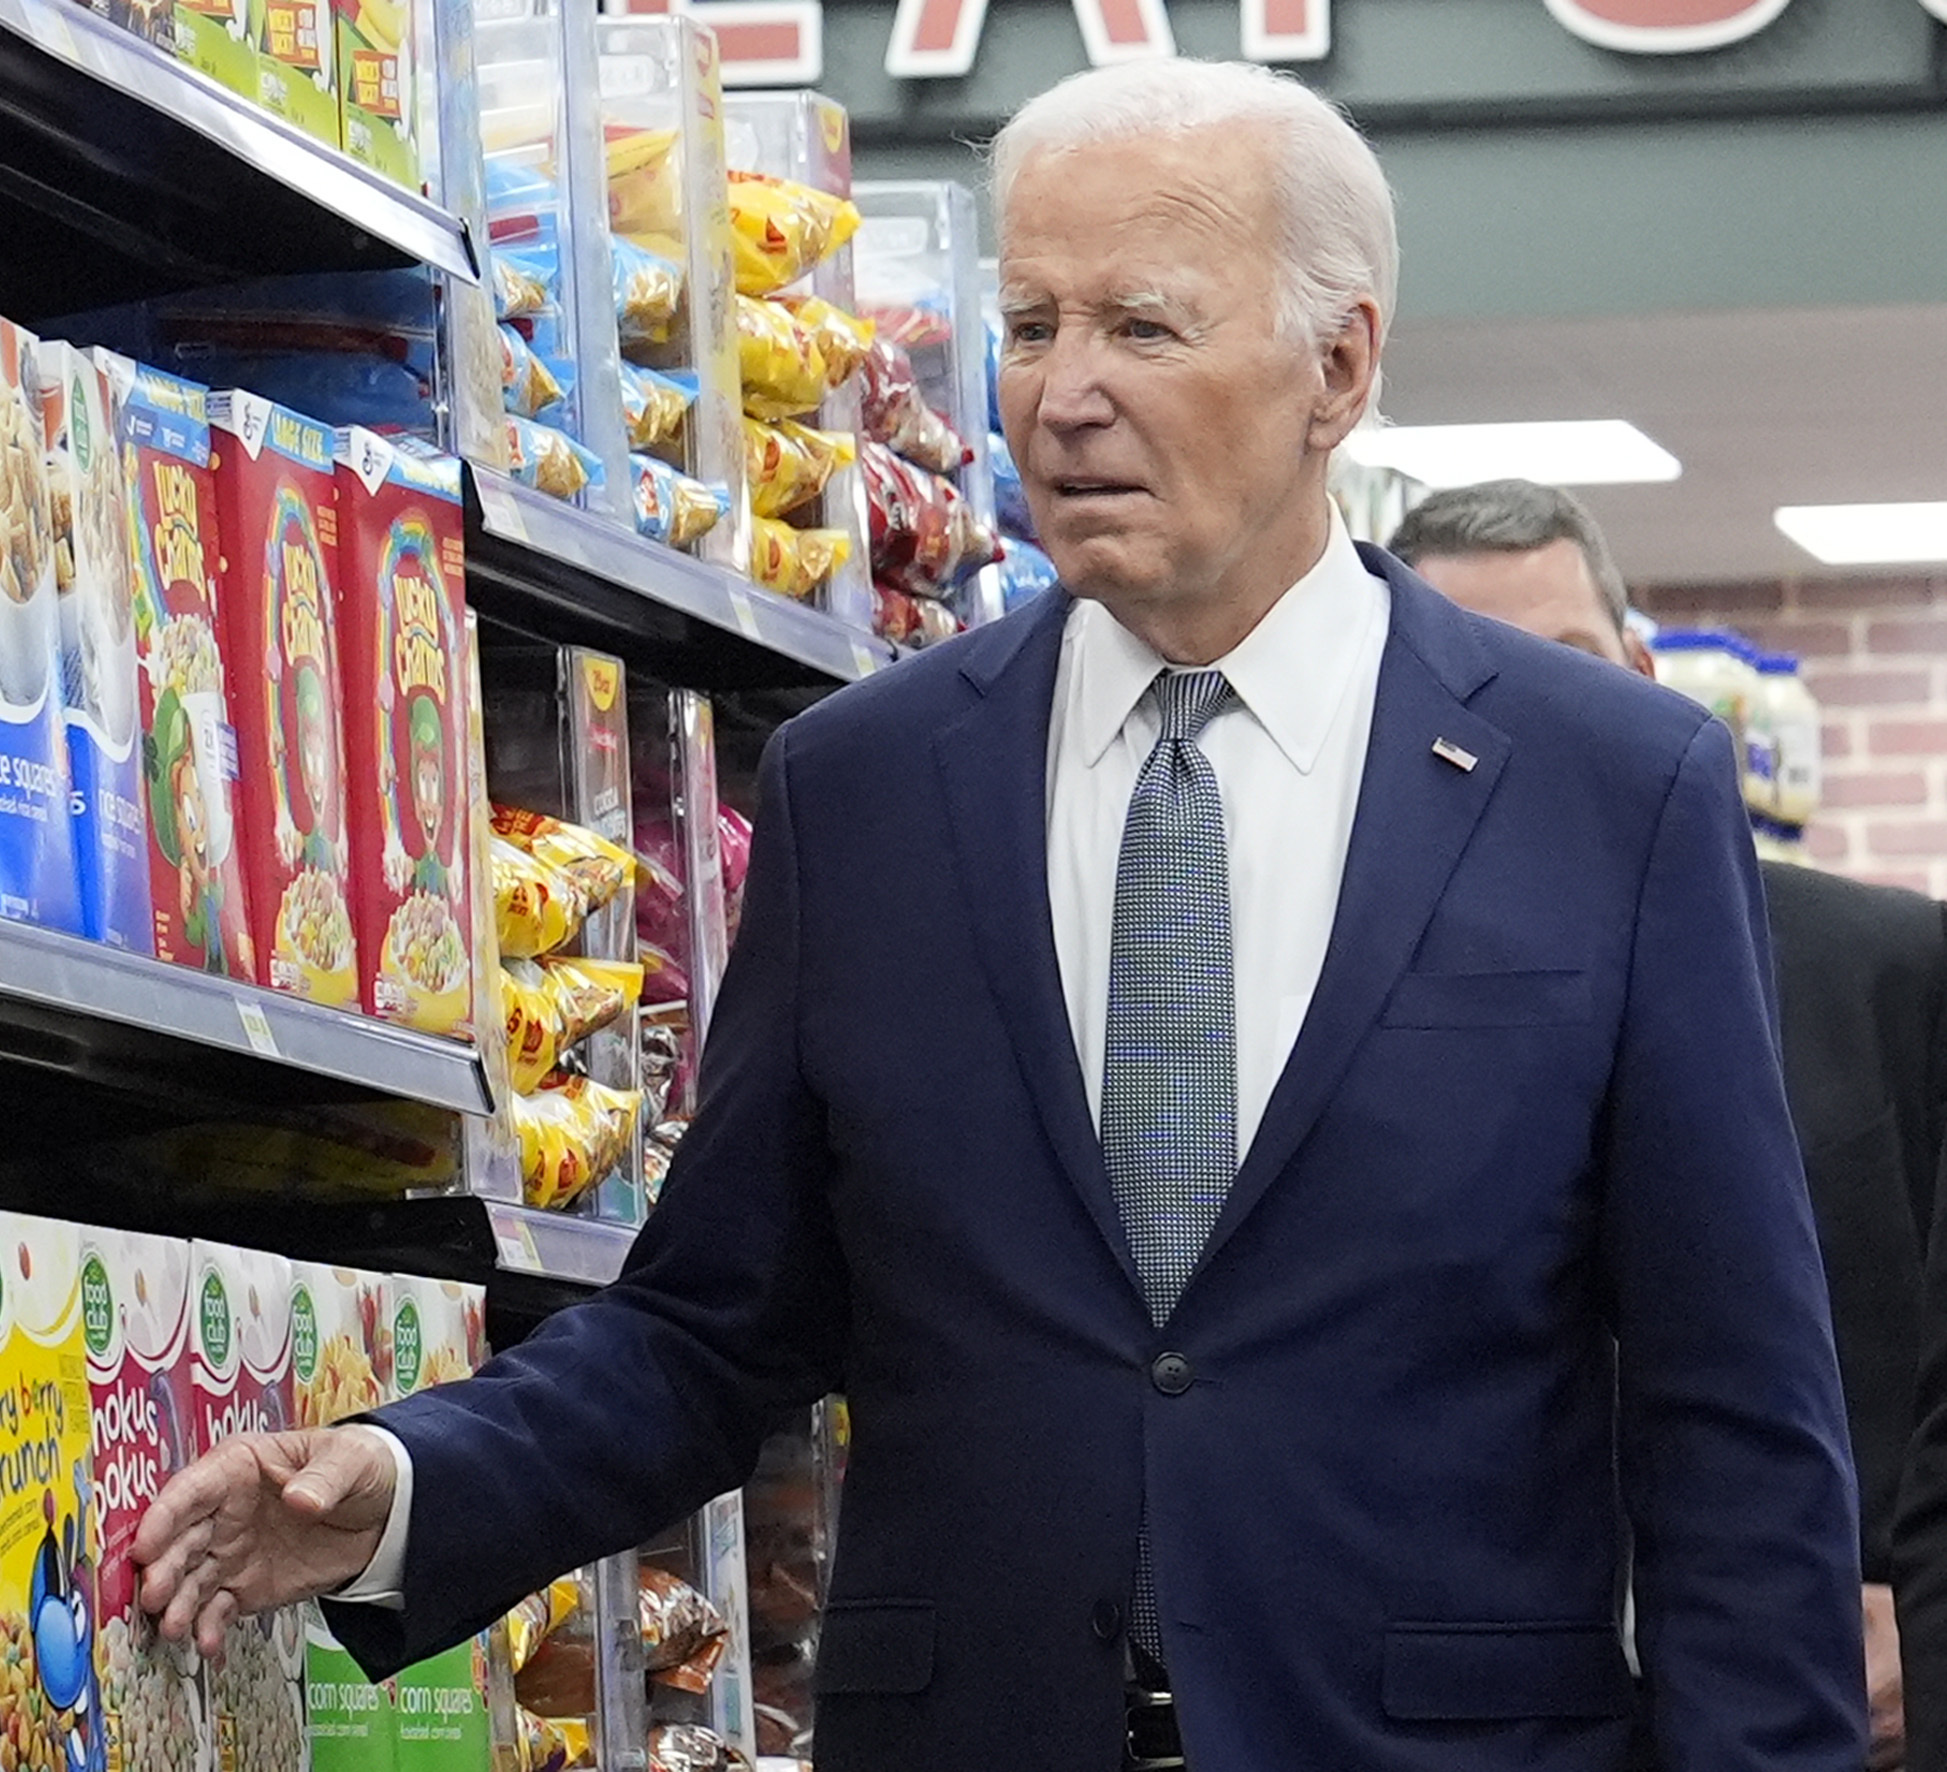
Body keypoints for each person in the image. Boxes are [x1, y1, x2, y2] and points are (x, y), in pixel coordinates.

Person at [134, 59, 1864, 1770]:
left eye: (1146, 327)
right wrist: (405, 1490)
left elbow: (1738, 1421)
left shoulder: (1608, 789)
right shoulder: (868, 787)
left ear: (1338, 369)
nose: (1064, 394)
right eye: (1034, 326)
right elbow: (713, 1327)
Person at [1391, 477, 1947, 1772]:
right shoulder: (1332, 1025)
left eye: (1569, 665)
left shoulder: (1894, 978)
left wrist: (1927, 1630)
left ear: (1644, 676)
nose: (1529, 720)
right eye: (1477, 675)